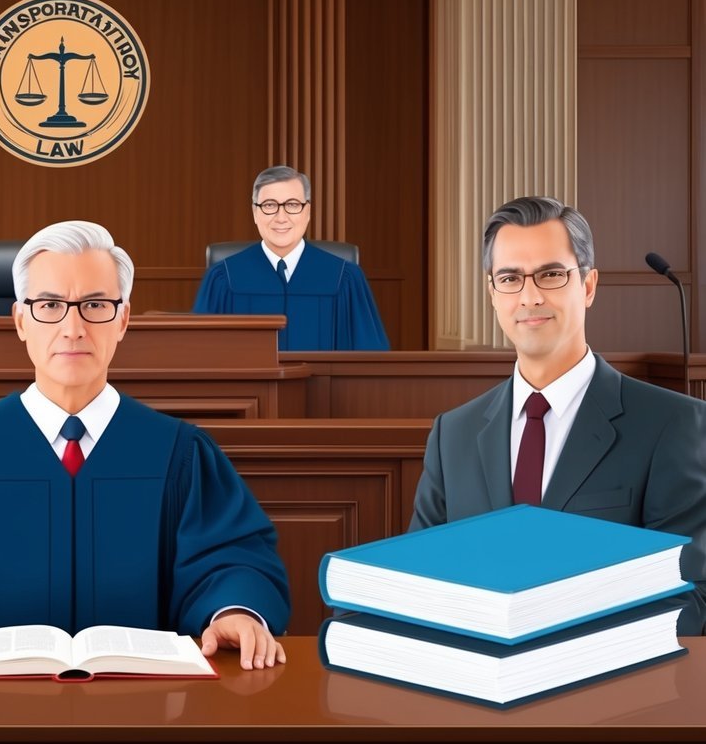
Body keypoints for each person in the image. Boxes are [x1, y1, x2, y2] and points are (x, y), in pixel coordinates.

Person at [0, 221, 291, 671]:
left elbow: (229, 557)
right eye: (50, 305)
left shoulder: (180, 452)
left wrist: (234, 610)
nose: (73, 328)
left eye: (95, 304)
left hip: (148, 707)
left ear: (123, 320)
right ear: (20, 320)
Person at [409, 196, 706, 636]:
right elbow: (419, 582)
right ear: (492, 293)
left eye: (550, 274)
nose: (529, 296)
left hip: (609, 694)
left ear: (587, 286)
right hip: (477, 691)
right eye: (509, 278)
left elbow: (689, 600)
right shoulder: (453, 433)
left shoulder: (672, 424)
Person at [193, 165, 389, 351]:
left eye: (292, 205)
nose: (281, 217)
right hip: (249, 388)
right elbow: (199, 356)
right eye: (269, 205)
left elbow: (369, 362)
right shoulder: (222, 278)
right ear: (254, 213)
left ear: (308, 211)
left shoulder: (345, 278)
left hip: (324, 388)